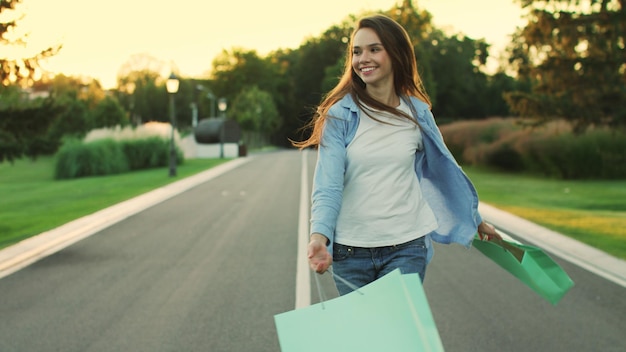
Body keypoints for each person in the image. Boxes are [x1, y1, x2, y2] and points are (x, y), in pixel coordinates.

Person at [293, 14, 500, 295]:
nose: (363, 58)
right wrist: (319, 236)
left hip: (406, 246)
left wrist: (475, 219)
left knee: (398, 335)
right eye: (357, 52)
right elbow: (327, 185)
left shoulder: (417, 114)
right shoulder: (341, 116)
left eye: (374, 49)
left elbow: (445, 173)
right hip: (350, 250)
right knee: (367, 339)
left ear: (396, 54)